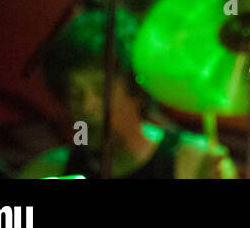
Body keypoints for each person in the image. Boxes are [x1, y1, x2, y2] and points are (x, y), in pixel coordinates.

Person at [19, 9, 235, 179]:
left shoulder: (191, 161)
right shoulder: (49, 171)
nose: (87, 106)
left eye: (101, 90)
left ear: (136, 88)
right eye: (75, 93)